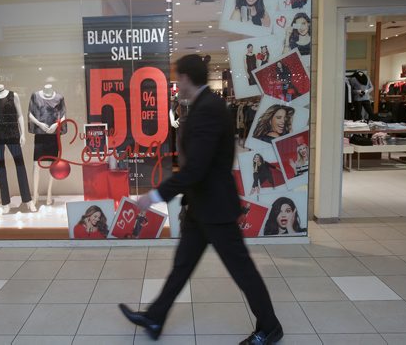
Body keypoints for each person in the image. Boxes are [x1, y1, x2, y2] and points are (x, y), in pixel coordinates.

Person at [118, 54, 283, 345]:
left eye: (177, 77)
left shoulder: (208, 108)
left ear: (185, 78)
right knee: (182, 265)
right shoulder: (202, 106)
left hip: (216, 208)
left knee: (242, 270)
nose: (176, 83)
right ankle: (155, 318)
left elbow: (196, 168)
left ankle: (270, 327)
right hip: (201, 206)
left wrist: (155, 195)